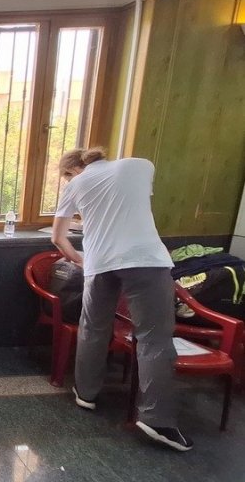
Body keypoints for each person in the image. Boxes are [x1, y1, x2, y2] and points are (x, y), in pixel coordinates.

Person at [51, 147, 192, 452]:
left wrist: (80, 260)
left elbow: (58, 238)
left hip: (99, 263)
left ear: (72, 171)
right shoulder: (140, 165)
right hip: (145, 260)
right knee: (154, 338)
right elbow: (127, 205)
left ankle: (86, 394)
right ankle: (157, 420)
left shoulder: (75, 185)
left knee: (93, 329)